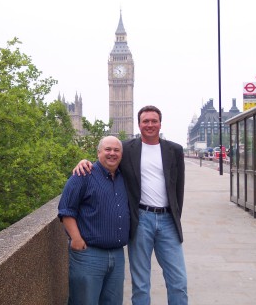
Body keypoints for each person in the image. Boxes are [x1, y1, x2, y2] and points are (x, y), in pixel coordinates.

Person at [74, 105, 188, 304]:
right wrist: (85, 162)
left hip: (168, 220)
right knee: (141, 283)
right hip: (141, 219)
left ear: (160, 123)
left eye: (154, 121)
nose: (150, 125)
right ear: (139, 124)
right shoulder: (127, 149)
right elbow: (107, 159)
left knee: (178, 280)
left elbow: (179, 188)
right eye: (146, 121)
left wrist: (175, 215)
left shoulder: (175, 150)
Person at [58, 136, 130, 304]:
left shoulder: (123, 177)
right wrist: (76, 239)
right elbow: (66, 210)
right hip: (89, 254)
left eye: (116, 150)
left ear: (121, 154)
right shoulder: (83, 174)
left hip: (117, 255)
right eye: (107, 149)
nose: (112, 153)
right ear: (98, 153)